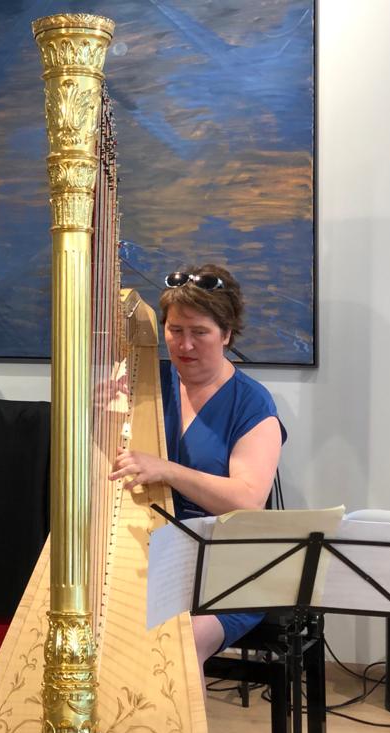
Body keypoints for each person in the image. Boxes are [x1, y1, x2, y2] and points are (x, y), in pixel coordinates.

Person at [109, 264, 285, 683]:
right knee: (107, 633)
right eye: (174, 330)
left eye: (199, 332)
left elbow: (245, 501)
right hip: (153, 553)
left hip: (229, 569)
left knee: (178, 644)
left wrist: (167, 470)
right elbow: (112, 463)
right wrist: (101, 414)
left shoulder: (253, 405)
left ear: (226, 334)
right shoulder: (149, 384)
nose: (184, 345)